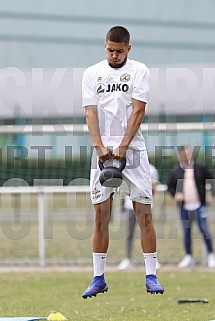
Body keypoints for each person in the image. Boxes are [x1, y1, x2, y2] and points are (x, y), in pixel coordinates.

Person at [81, 26, 164, 299]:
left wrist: (124, 147)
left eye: (119, 50)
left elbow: (138, 110)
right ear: (104, 46)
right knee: (100, 216)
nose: (113, 55)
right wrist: (100, 147)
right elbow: (90, 114)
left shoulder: (140, 70)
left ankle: (151, 274)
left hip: (134, 150)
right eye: (109, 49)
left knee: (144, 215)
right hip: (102, 153)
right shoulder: (91, 74)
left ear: (129, 48)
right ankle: (98, 277)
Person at [167, 145, 215, 268]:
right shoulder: (176, 171)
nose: (186, 156)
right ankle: (189, 256)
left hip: (199, 205)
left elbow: (212, 180)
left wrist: (212, 196)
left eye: (188, 153)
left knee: (204, 230)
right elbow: (170, 187)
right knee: (186, 232)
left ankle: (210, 255)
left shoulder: (200, 168)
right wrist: (176, 195)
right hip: (184, 208)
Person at [118, 163, 161, 270]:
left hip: (145, 205)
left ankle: (153, 259)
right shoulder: (126, 167)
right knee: (129, 233)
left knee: (148, 232)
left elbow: (154, 187)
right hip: (129, 206)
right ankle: (127, 259)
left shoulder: (150, 169)